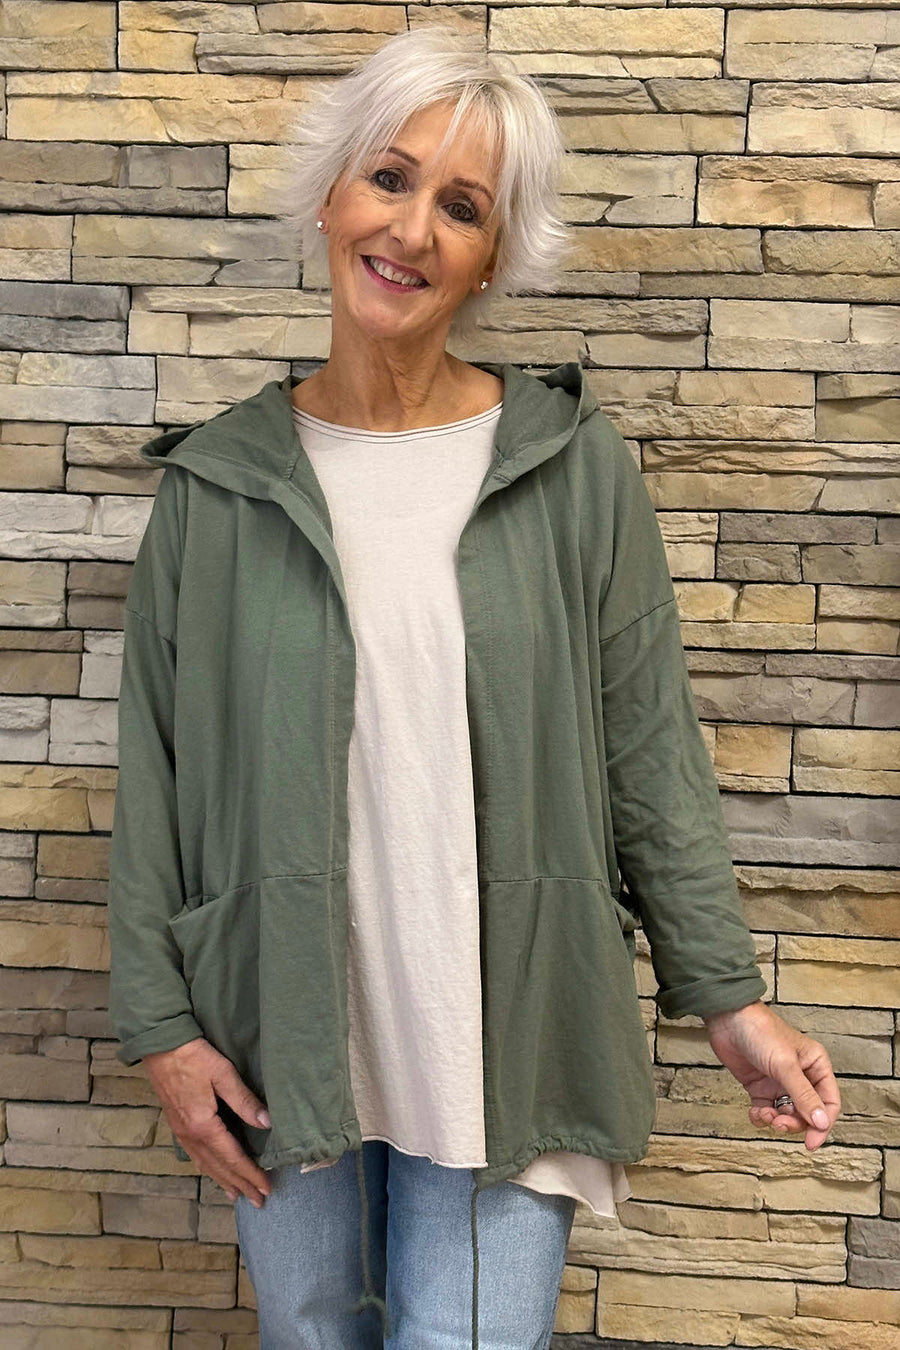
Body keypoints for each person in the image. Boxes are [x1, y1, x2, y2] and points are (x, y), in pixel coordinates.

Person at [107, 25, 843, 1350]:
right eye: (389, 178)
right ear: (331, 194)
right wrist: (161, 1028)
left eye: (463, 206)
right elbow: (154, 782)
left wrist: (728, 999)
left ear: (494, 254)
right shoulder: (217, 487)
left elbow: (648, 755)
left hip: (510, 1026)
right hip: (277, 1029)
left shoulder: (571, 469)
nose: (411, 229)